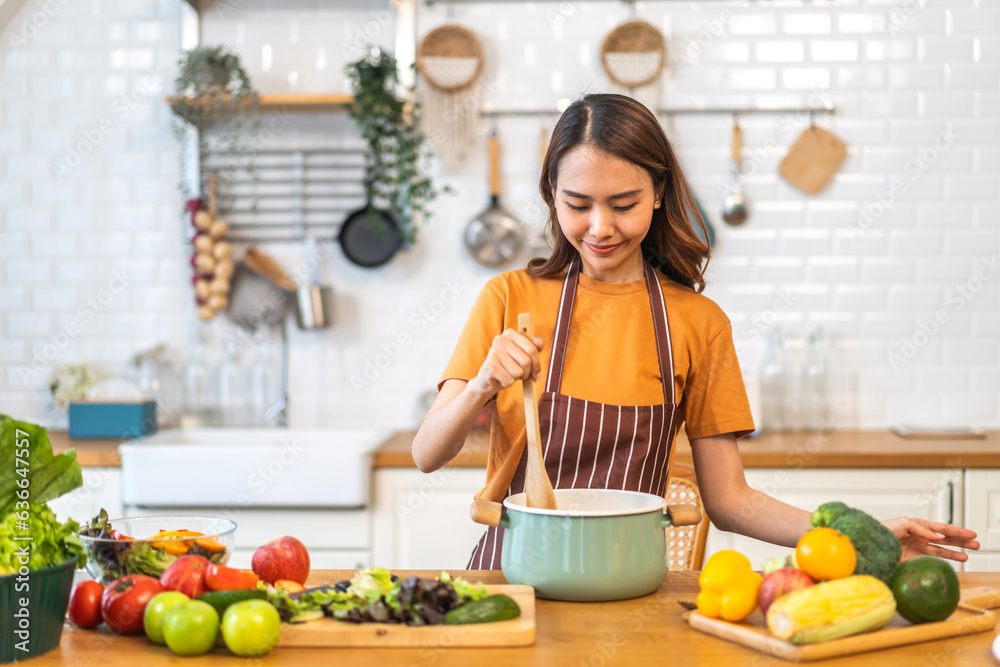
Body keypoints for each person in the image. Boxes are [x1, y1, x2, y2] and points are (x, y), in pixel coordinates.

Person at [412, 93, 980, 570]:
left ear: (658, 194)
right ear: (551, 196)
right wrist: (484, 382)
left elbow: (732, 502)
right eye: (578, 204)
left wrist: (862, 536)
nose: (600, 227)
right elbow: (427, 453)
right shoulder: (510, 298)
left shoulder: (698, 324)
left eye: (624, 204)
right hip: (513, 577)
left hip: (625, 580)